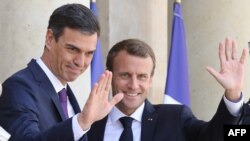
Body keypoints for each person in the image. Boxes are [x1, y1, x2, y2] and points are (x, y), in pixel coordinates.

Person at [0, 3, 123, 141]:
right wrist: (81, 122)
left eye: (89, 53)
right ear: (50, 39)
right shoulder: (18, 87)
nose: (80, 62)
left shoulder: (65, 93)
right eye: (72, 49)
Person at [87, 38, 248, 141]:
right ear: (109, 75)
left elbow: (217, 137)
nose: (133, 85)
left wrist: (232, 94)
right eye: (125, 75)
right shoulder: (88, 124)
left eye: (142, 76)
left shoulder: (175, 118)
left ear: (150, 80)